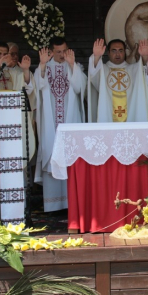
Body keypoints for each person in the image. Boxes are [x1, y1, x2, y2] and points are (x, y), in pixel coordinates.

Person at [34, 36, 86, 212]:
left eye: (64, 50)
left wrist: (72, 66)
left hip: (69, 119)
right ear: (51, 51)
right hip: (50, 122)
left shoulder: (74, 66)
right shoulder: (44, 68)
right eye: (58, 52)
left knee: (70, 156)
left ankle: (71, 203)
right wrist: (42, 65)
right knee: (52, 153)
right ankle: (54, 204)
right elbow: (38, 86)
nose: (62, 54)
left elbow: (79, 88)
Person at [88, 38, 148, 122]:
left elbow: (145, 71)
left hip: (130, 117)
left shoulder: (133, 69)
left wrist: (145, 56)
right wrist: (96, 56)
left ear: (125, 52)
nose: (117, 54)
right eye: (114, 51)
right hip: (108, 115)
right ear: (108, 53)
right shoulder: (103, 70)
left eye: (121, 51)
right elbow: (93, 73)